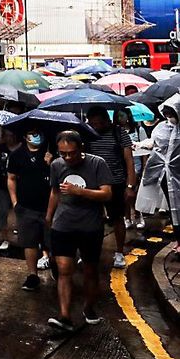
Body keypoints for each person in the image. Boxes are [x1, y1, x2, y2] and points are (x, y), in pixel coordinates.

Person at [46, 130, 113, 332]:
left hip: (90, 227)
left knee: (90, 269)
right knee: (64, 269)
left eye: (71, 153)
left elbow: (107, 194)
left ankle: (89, 307)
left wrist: (80, 191)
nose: (67, 157)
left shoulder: (97, 163)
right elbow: (55, 191)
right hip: (63, 225)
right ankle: (64, 315)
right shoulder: (57, 165)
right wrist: (49, 216)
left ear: (81, 148)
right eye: (63, 153)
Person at [85, 106, 136, 269]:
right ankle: (90, 252)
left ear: (107, 120)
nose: (96, 127)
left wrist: (130, 186)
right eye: (93, 124)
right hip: (94, 184)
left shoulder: (119, 133)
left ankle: (120, 252)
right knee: (92, 219)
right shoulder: (87, 134)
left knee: (117, 218)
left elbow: (129, 161)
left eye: (99, 123)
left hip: (116, 183)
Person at [7, 127, 52, 292]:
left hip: (49, 206)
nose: (37, 135)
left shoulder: (50, 151)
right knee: (29, 242)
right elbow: (11, 179)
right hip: (26, 206)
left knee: (51, 239)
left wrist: (52, 164)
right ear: (25, 136)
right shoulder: (17, 155)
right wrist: (15, 203)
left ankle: (54, 265)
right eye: (32, 133)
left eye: (38, 132)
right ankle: (32, 275)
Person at [138, 96, 180, 250]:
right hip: (166, 175)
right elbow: (153, 142)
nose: (169, 117)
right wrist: (140, 145)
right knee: (173, 207)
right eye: (167, 114)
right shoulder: (161, 127)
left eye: (172, 114)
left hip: (178, 173)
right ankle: (178, 238)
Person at [116, 109, 148, 229]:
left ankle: (138, 215)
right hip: (121, 165)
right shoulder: (116, 132)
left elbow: (145, 150)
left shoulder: (139, 130)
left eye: (122, 116)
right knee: (124, 193)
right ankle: (127, 217)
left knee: (134, 192)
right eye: (118, 116)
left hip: (137, 163)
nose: (120, 118)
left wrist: (145, 165)